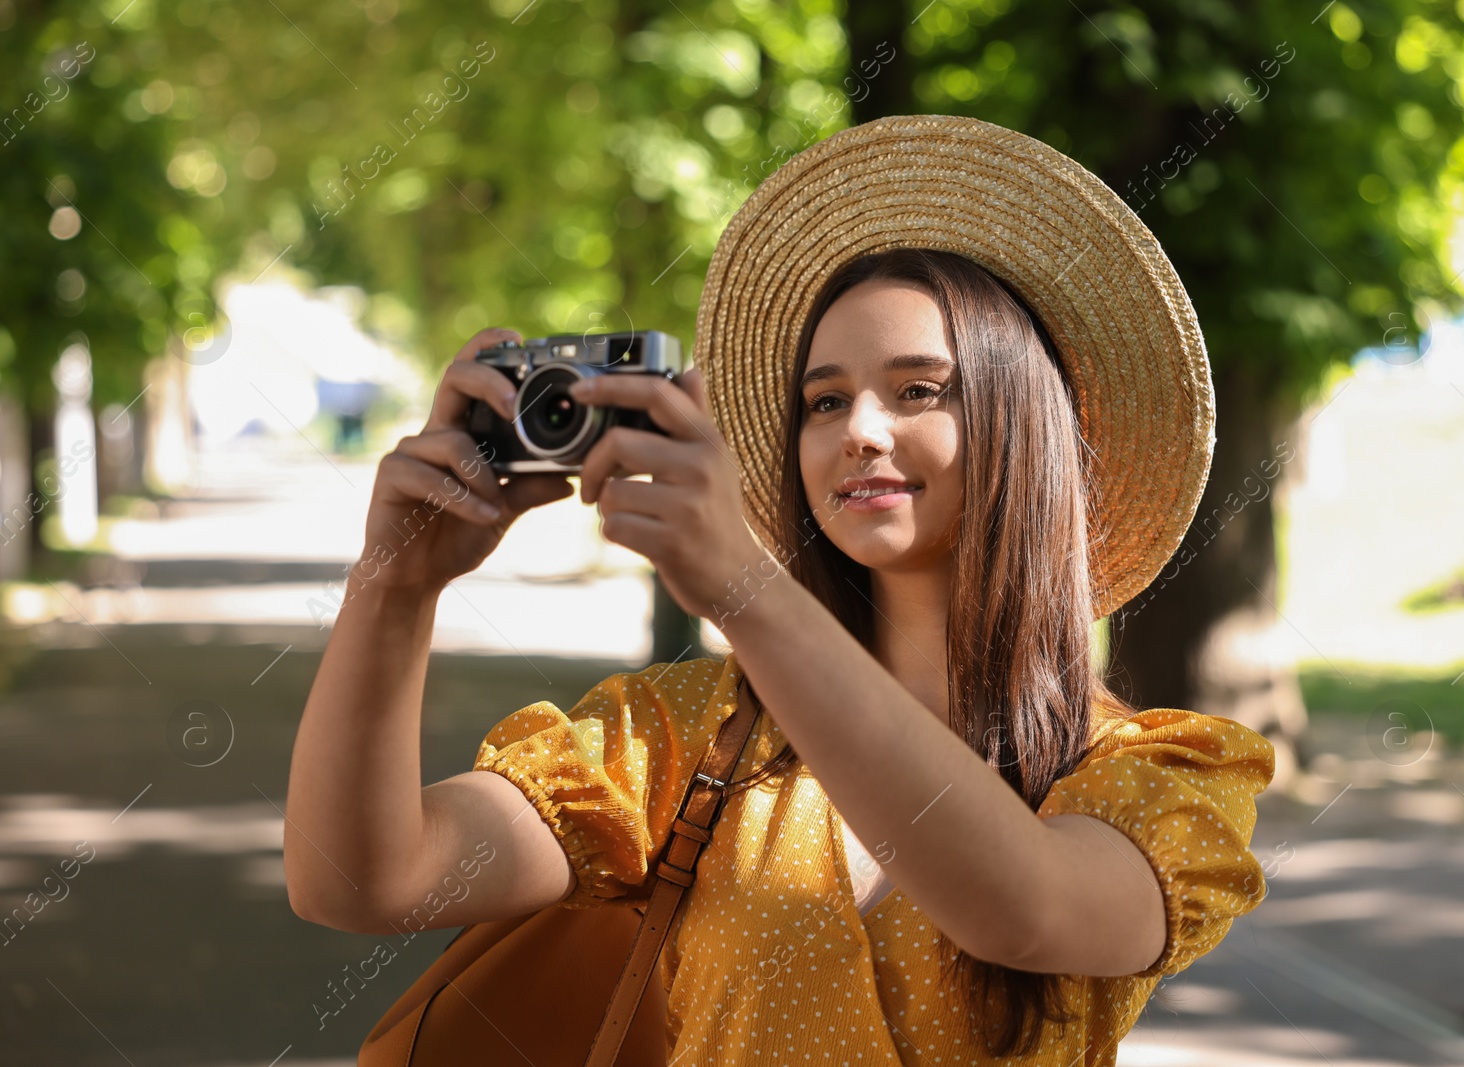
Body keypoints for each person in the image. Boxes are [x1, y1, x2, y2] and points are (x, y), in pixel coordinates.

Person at [284, 114, 1276, 1065]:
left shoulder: (1159, 775)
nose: (860, 430)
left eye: (919, 389)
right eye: (824, 400)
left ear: (1028, 427)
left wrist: (744, 589)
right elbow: (361, 880)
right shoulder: (679, 738)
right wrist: (395, 588)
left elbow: (1023, 907)